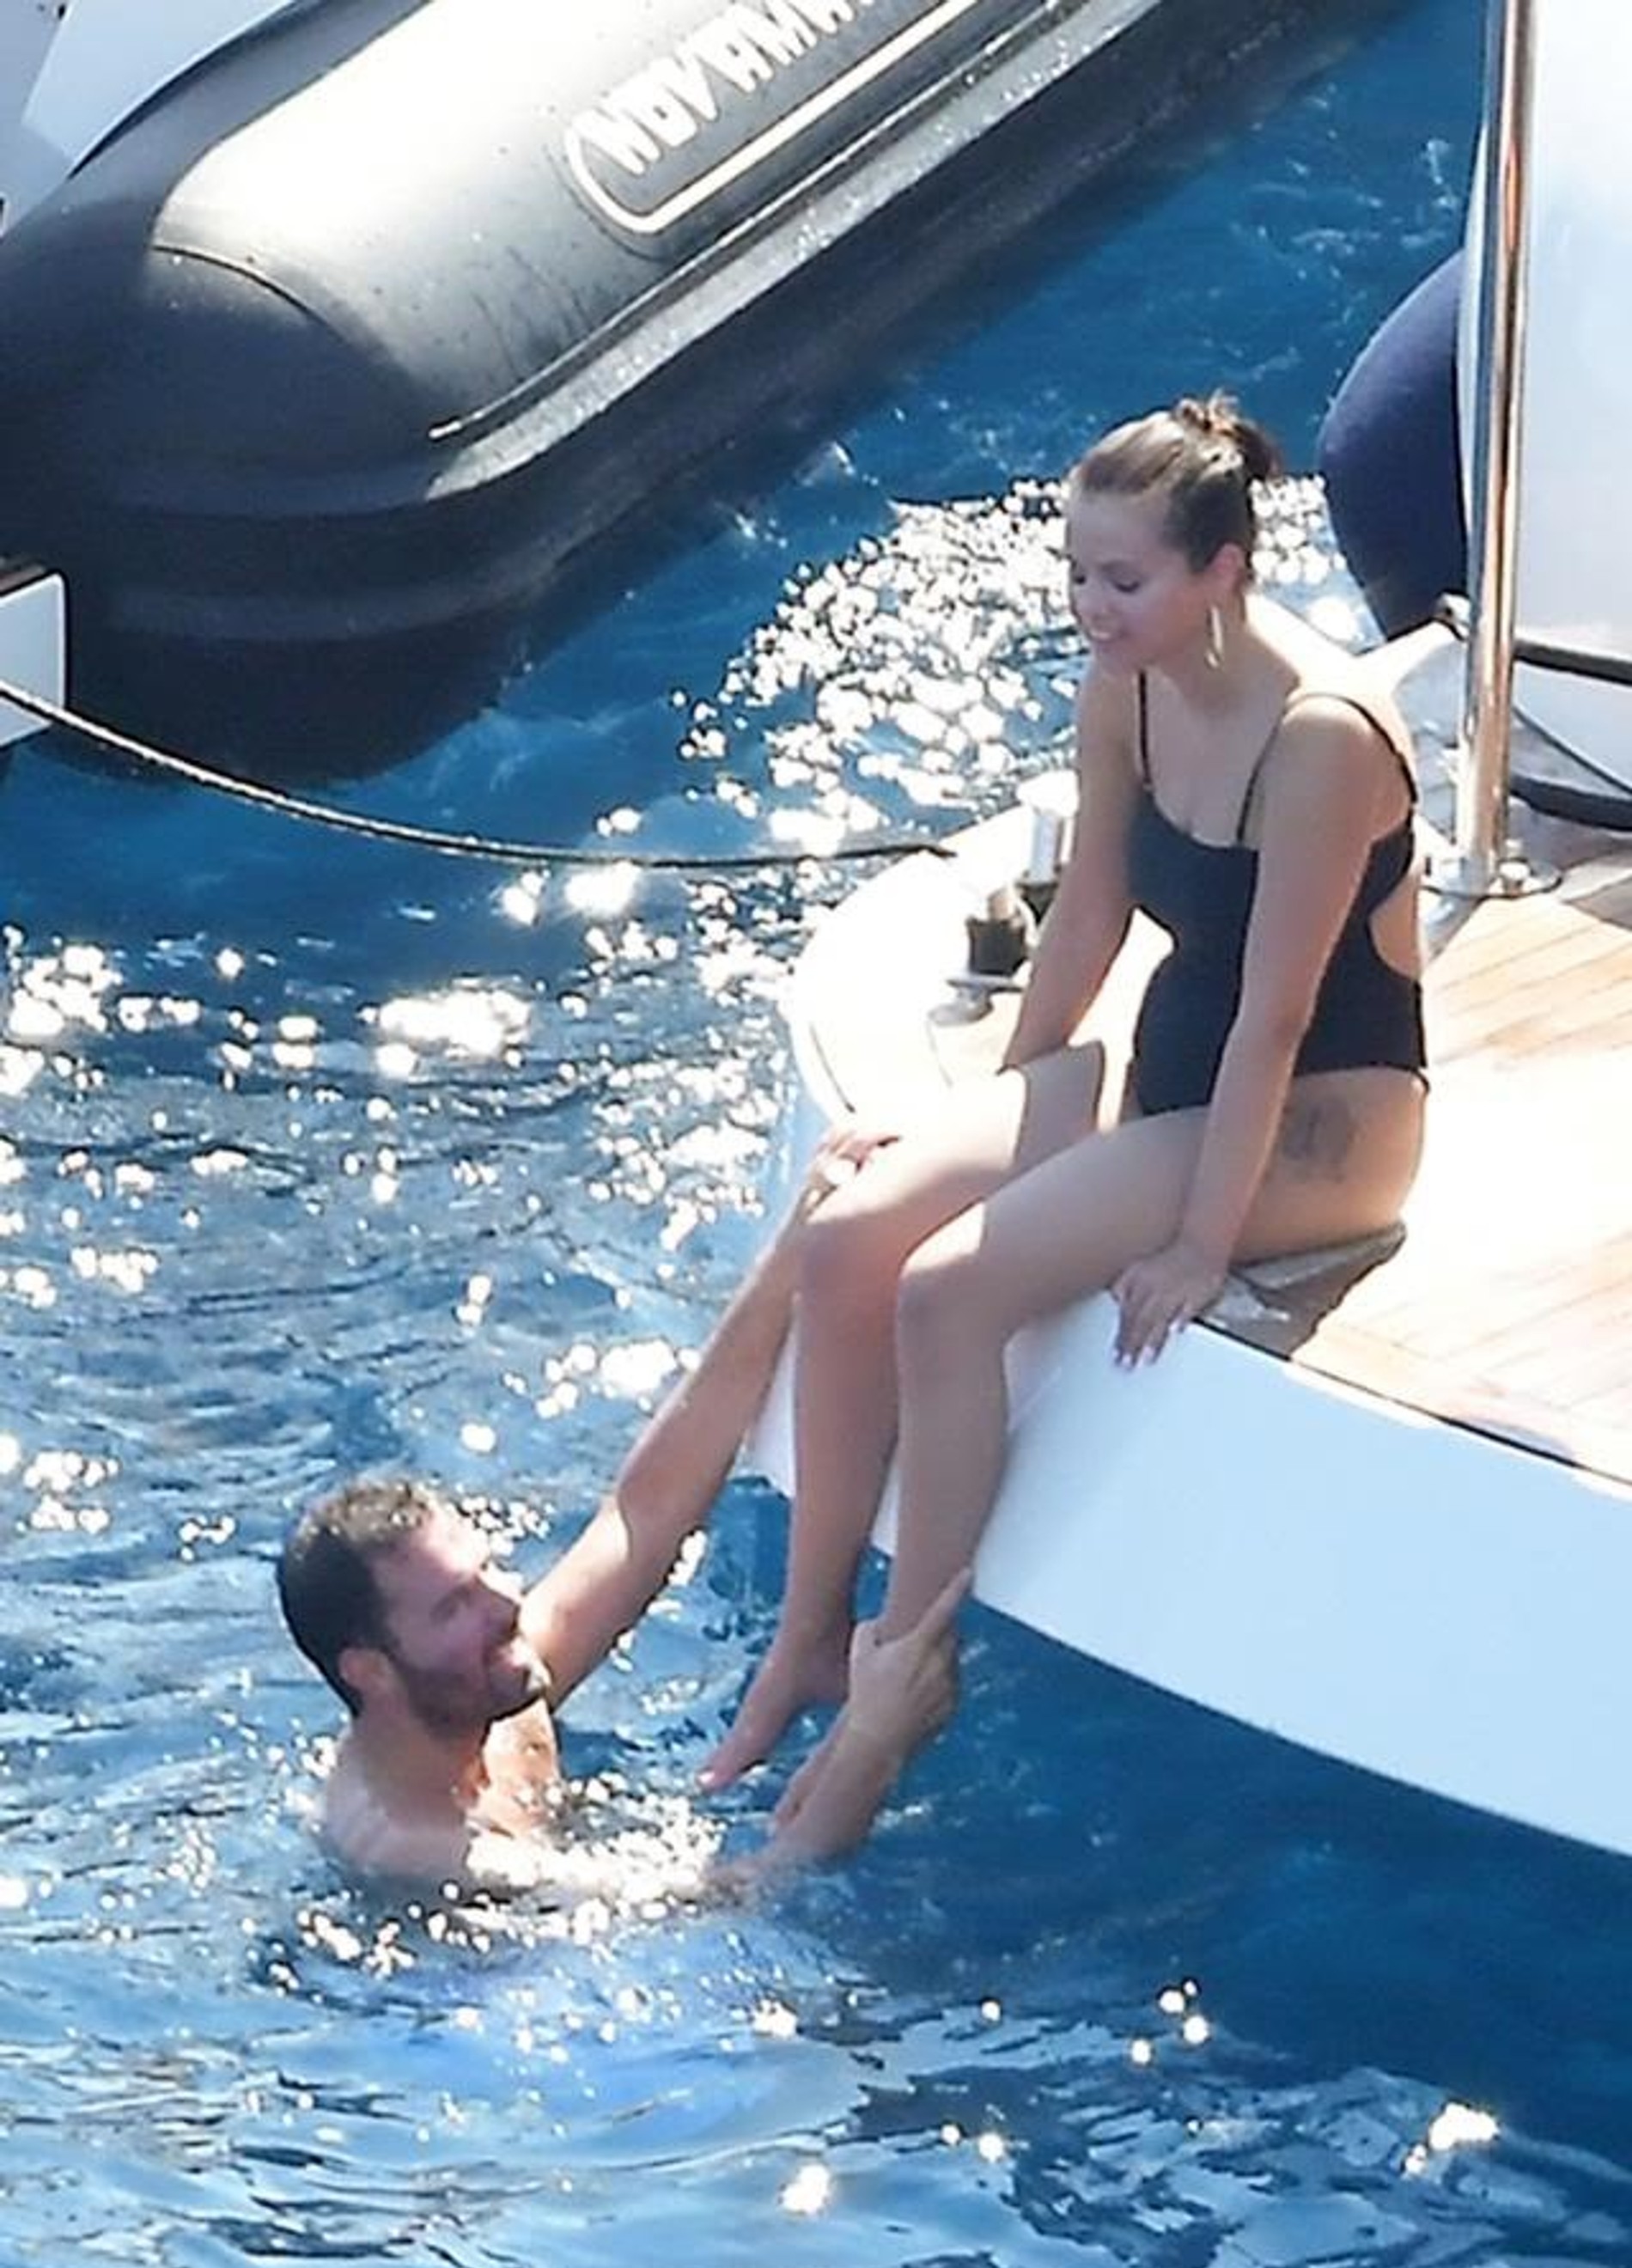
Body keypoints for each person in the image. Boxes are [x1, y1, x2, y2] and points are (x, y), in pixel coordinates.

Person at [701, 393, 1428, 1832]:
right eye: (1079, 574)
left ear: (1224, 571)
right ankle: (809, 1640)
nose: (1092, 607)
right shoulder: (1129, 683)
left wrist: (1203, 1241)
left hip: (1319, 1121)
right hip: (1173, 1076)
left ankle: (905, 1674)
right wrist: (1000, 1107)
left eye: (1126, 579)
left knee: (946, 1295)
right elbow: (1090, 914)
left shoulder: (1322, 738)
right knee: (853, 1241)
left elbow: (1278, 1017)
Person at [277, 1159, 967, 1896]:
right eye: (453, 1606)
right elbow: (747, 1892)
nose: (508, 1605)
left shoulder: (475, 1686)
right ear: (370, 1671)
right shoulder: (420, 1849)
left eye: (487, 1574)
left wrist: (790, 1260)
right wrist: (876, 1741)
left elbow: (643, 1515)